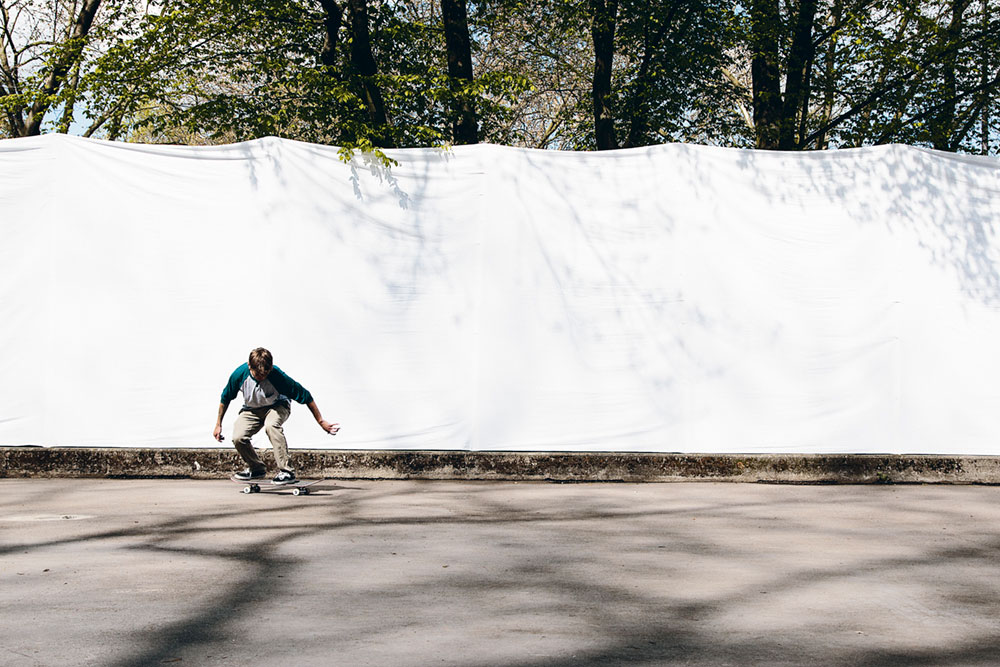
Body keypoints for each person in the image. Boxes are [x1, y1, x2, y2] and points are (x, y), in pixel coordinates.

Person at [214, 347, 339, 484]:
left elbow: (306, 396)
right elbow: (225, 398)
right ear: (249, 366)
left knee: (271, 425)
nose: (261, 378)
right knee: (238, 437)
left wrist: (321, 422)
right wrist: (218, 424)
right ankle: (256, 468)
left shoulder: (278, 376)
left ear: (271, 367)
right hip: (252, 410)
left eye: (265, 375)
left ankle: (286, 471)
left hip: (278, 406)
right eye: (257, 375)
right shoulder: (239, 375)